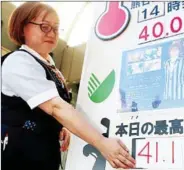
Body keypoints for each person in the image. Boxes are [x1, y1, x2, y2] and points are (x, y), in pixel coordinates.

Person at [1, 2, 135, 170]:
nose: (52, 33)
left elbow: (48, 109)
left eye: (56, 28)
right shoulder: (19, 61)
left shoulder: (50, 66)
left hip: (43, 150)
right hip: (19, 152)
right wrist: (102, 143)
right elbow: (56, 106)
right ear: (22, 28)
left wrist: (59, 126)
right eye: (44, 27)